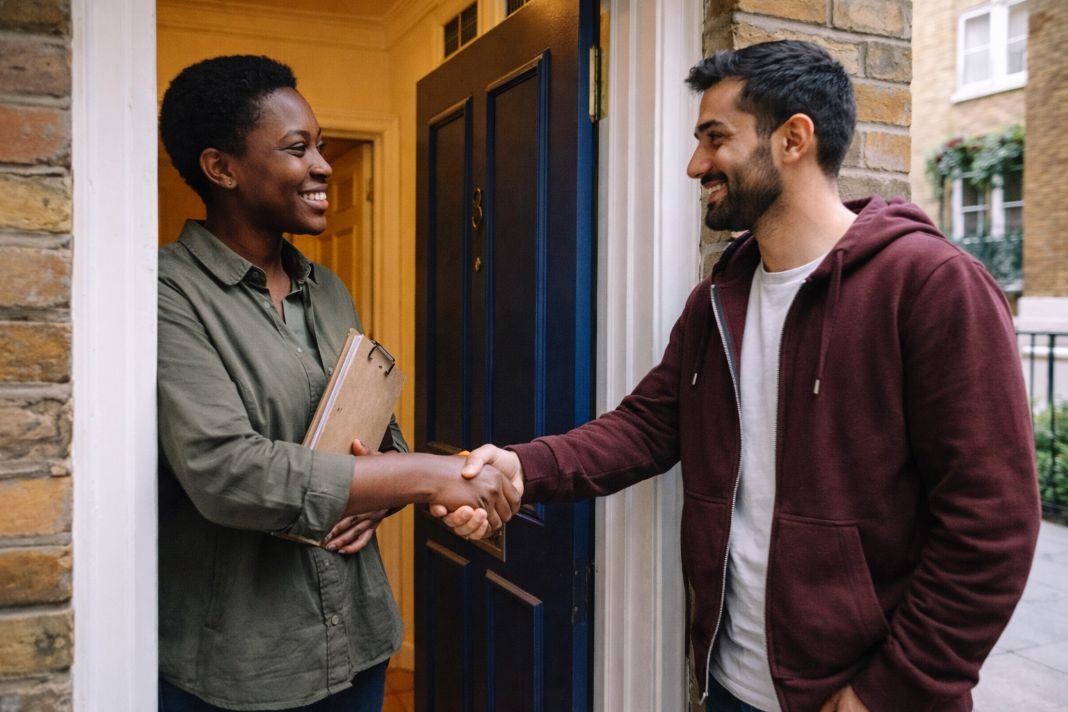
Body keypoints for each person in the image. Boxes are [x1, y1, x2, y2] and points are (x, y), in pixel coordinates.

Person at [436, 40, 1040, 712]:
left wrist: (888, 691)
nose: (697, 164)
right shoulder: (720, 300)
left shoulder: (930, 286)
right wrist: (521, 470)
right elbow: (644, 428)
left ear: (794, 139)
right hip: (730, 685)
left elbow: (993, 525)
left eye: (715, 139)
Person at [156, 55, 518, 711]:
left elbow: (374, 422)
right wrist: (422, 476)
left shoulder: (327, 291)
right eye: (299, 149)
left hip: (359, 640)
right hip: (244, 665)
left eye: (320, 146)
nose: (324, 166)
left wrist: (381, 489)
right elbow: (223, 469)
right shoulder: (164, 293)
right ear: (221, 167)